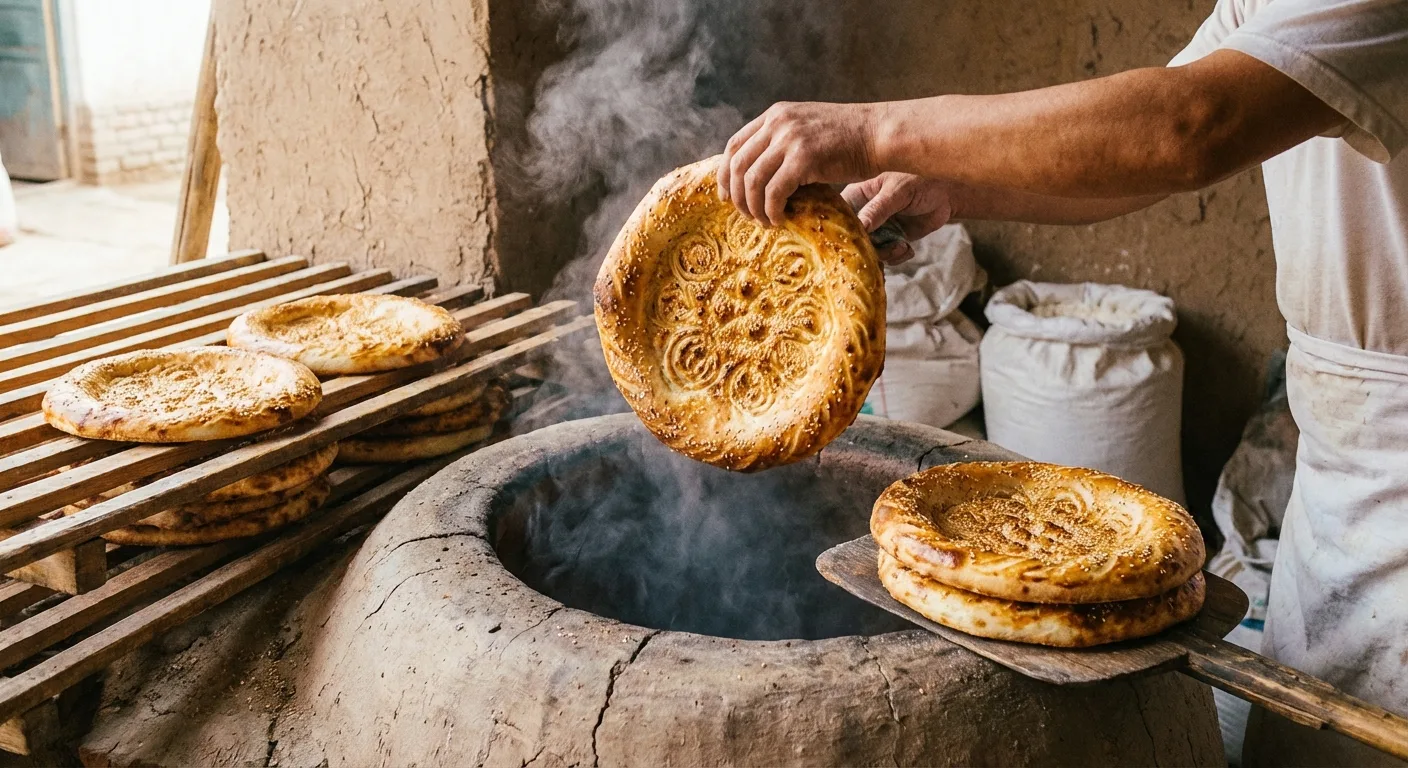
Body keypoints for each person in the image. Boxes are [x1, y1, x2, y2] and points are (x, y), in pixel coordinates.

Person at [719, 1, 1408, 765]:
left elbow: (1188, 127)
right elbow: (1131, 160)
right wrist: (950, 185)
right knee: (1311, 739)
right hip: (1338, 454)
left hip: (1398, 461)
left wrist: (873, 130)